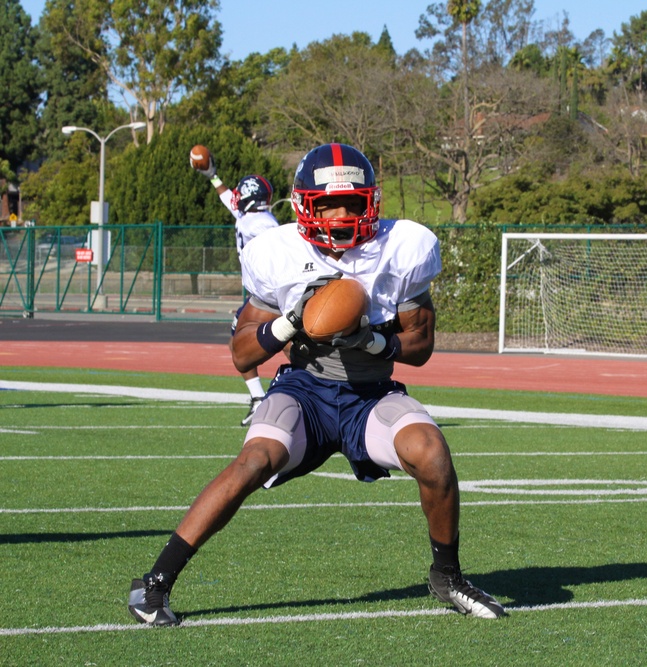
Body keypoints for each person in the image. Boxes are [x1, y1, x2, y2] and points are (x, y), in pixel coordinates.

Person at [129, 142, 506, 625]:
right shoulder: (277, 251)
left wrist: (372, 340)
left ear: (371, 202)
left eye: (352, 202)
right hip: (304, 389)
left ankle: (447, 576)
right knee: (254, 460)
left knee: (432, 454)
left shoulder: (402, 247)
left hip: (369, 394)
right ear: (304, 205)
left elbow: (421, 346)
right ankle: (155, 584)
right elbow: (243, 352)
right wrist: (290, 321)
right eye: (329, 204)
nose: (341, 215)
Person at [193, 152, 280, 425]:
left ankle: (271, 395)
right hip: (261, 294)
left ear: (250, 198)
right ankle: (259, 398)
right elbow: (227, 197)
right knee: (239, 341)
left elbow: (279, 247)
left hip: (270, 293)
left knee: (251, 342)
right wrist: (212, 176)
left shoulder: (263, 223)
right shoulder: (248, 215)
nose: (237, 199)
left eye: (241, 195)